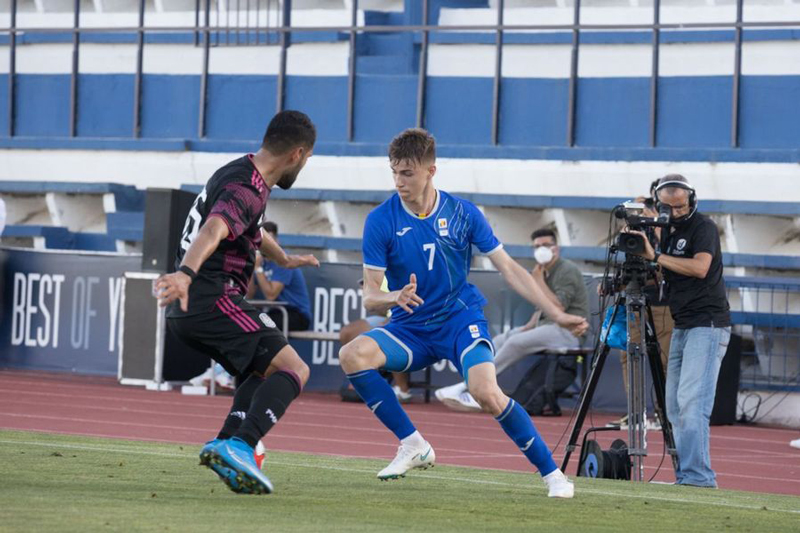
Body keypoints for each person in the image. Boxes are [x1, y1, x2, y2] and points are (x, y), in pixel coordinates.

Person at [338, 128, 588, 498]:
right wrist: (393, 298)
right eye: (394, 172)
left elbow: (510, 269)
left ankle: (554, 476)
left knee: (486, 392)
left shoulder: (462, 213)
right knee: (352, 354)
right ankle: (413, 444)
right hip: (410, 328)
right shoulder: (380, 220)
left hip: (459, 320)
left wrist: (557, 313)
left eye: (407, 173)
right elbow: (371, 298)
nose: (398, 182)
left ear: (430, 171)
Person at [154, 110, 319, 495]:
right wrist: (186, 274)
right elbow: (214, 228)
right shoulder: (246, 187)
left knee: (260, 369)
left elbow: (254, 228)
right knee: (295, 368)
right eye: (308, 159)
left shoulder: (242, 172)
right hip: (210, 296)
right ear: (296, 154)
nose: (304, 166)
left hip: (193, 306)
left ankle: (226, 442)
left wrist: (283, 259)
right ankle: (242, 446)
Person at [628, 174, 731, 488]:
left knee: (691, 401)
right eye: (668, 208)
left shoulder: (703, 227)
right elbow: (665, 272)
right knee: (673, 405)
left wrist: (656, 256)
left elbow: (700, 268)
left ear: (692, 201)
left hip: (707, 324)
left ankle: (699, 476)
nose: (674, 213)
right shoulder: (668, 232)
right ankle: (687, 475)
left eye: (680, 206)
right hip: (684, 323)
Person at [435, 227, 589, 413]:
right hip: (547, 326)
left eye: (546, 245)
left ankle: (471, 387)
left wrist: (538, 281)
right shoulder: (543, 270)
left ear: (556, 248)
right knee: (502, 339)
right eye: (537, 246)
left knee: (516, 343)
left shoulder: (567, 269)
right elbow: (542, 308)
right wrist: (528, 327)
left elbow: (558, 306)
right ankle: (473, 385)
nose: (541, 249)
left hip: (569, 332)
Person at [612, 188, 675, 429]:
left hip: (663, 304)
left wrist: (657, 227)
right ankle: (636, 412)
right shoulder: (635, 233)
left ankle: (664, 413)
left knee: (664, 360)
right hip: (635, 300)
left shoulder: (668, 229)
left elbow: (667, 266)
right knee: (629, 355)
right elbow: (627, 265)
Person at [247, 221, 312, 332]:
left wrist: (258, 268)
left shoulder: (283, 260)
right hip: (276, 311)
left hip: (296, 313)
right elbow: (249, 294)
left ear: (277, 241)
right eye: (263, 242)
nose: (266, 245)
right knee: (246, 321)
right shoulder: (261, 261)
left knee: (259, 323)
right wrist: (253, 268)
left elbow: (271, 295)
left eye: (270, 241)